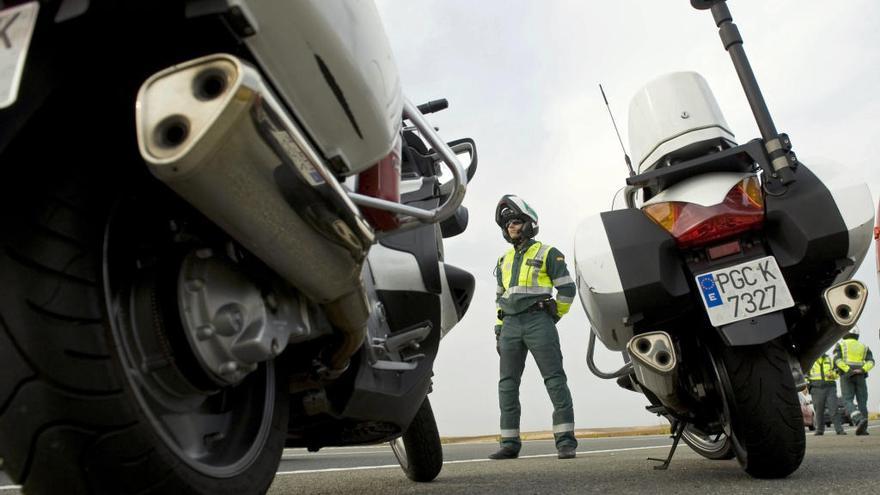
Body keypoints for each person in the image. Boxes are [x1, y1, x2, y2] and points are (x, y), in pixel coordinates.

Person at [489, 195, 578, 460]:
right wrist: (499, 329)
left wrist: (554, 316)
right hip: (510, 325)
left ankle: (565, 442)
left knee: (554, 379)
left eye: (515, 222)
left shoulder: (548, 252)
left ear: (529, 224)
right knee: (507, 384)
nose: (510, 228)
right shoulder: (503, 260)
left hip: (539, 320)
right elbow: (499, 298)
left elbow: (567, 288)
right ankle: (509, 443)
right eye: (507, 225)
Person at [833, 327, 874, 435]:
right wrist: (862, 369)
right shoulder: (864, 347)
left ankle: (858, 419)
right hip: (860, 376)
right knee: (862, 402)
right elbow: (871, 362)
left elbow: (837, 360)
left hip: (847, 375)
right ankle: (863, 429)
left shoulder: (841, 344)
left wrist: (848, 370)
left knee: (847, 400)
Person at [807, 353, 845, 435]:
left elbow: (837, 372)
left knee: (834, 408)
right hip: (816, 388)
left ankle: (839, 430)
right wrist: (807, 386)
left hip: (830, 387)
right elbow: (805, 375)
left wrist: (833, 375)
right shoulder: (809, 360)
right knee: (819, 410)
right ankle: (820, 430)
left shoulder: (829, 359)